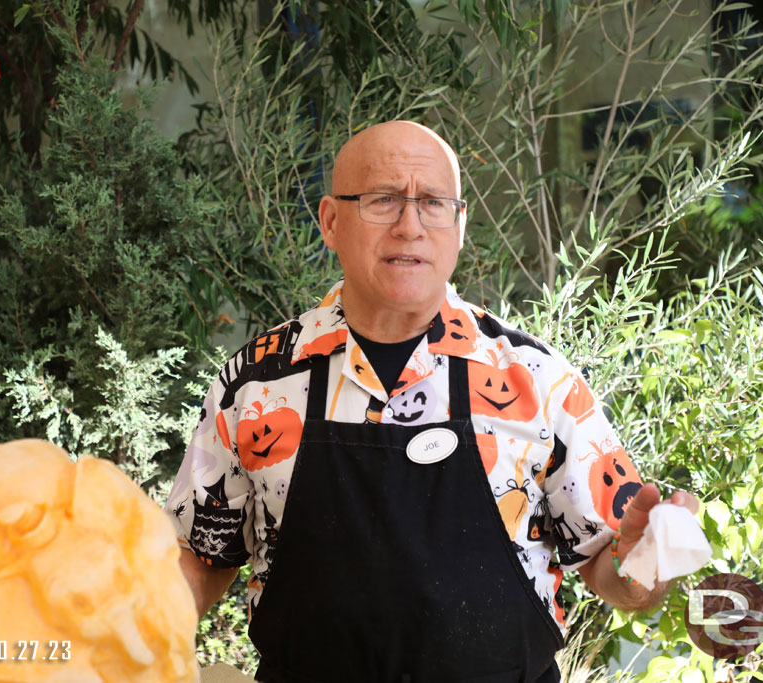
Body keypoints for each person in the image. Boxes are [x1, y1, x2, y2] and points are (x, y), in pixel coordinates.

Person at [165, 120, 699, 682]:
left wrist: (645, 559)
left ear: (460, 224)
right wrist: (110, 627)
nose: (410, 226)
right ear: (330, 220)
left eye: (434, 204)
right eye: (384, 200)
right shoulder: (258, 382)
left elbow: (612, 573)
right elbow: (201, 556)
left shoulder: (536, 381)